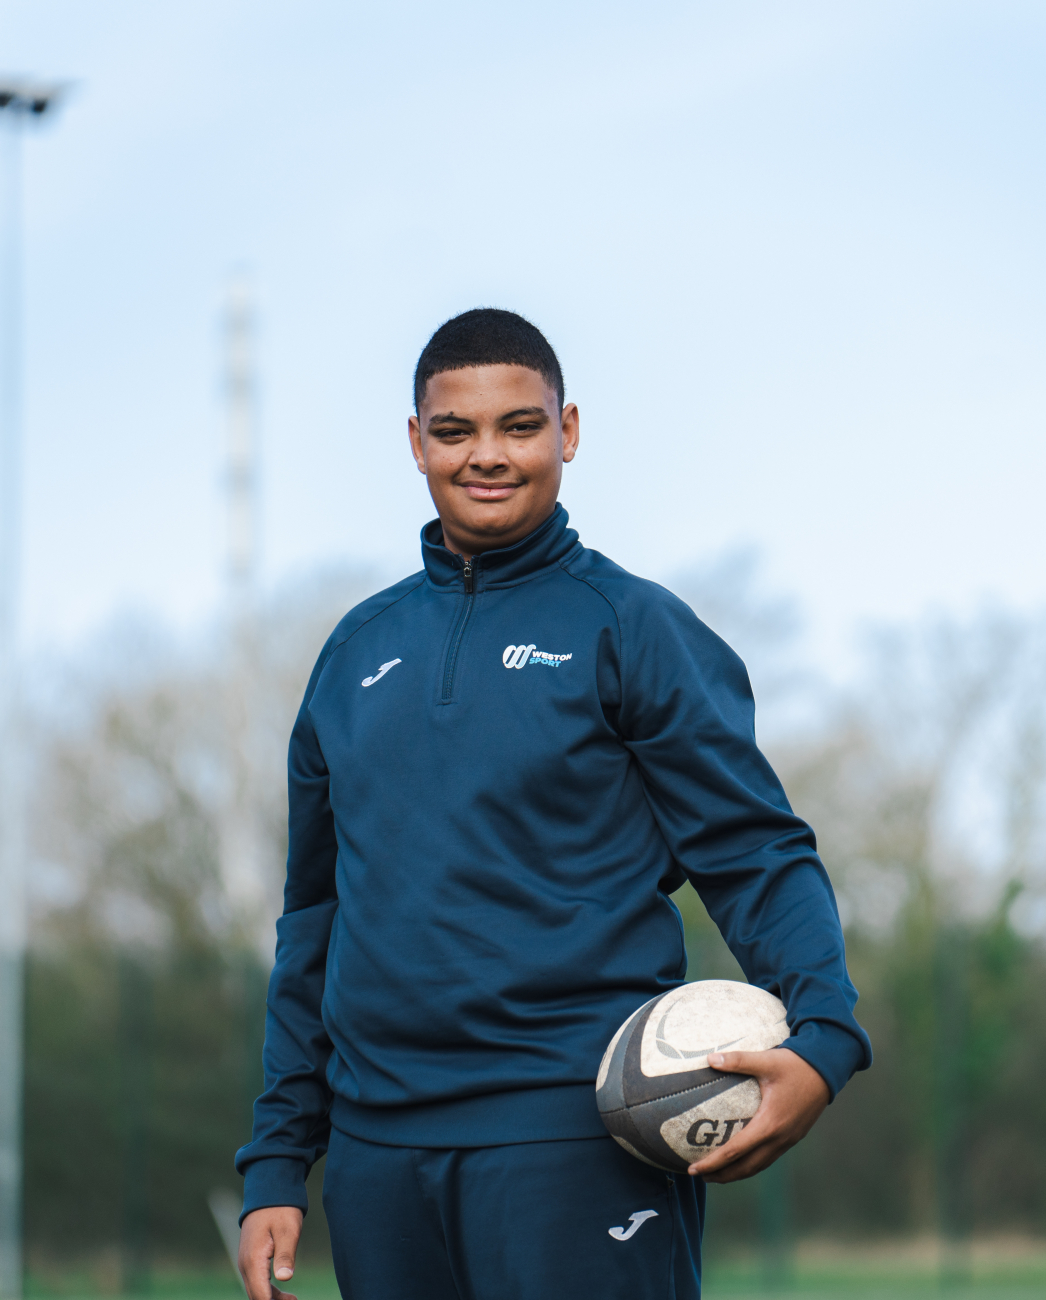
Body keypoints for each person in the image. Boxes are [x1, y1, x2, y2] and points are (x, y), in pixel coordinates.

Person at [234, 308, 870, 1300]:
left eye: (519, 426)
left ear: (567, 431)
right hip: (377, 1154)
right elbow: (315, 918)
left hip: (572, 1136)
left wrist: (823, 1040)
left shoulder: (634, 629)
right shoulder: (354, 653)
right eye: (455, 431)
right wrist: (279, 1159)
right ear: (415, 443)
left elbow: (755, 856)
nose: (487, 455)